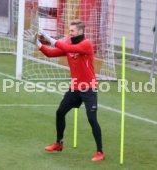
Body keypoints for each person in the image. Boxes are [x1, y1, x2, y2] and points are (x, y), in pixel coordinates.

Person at [24, 20, 104, 161]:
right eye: (70, 30)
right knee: (60, 112)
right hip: (74, 88)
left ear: (80, 31)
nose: (70, 33)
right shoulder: (68, 43)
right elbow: (50, 53)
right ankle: (59, 143)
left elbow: (68, 49)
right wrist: (37, 44)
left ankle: (100, 152)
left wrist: (49, 38)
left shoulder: (86, 44)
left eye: (72, 31)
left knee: (92, 119)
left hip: (89, 88)